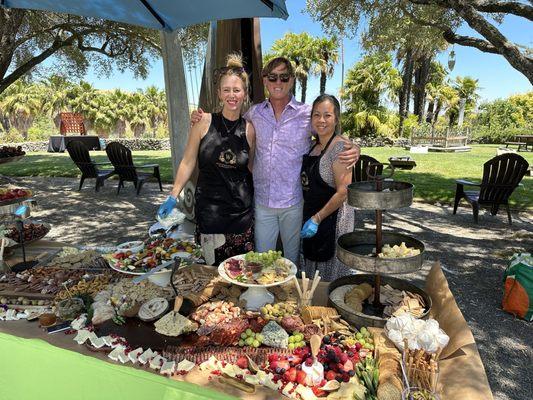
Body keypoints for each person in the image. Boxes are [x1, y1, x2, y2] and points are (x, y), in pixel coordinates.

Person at [192, 56, 359, 265]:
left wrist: (353, 146)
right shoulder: (254, 113)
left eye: (284, 77)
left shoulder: (307, 114)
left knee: (291, 262)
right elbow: (230, 123)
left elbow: (329, 134)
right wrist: (199, 118)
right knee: (262, 262)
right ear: (264, 80)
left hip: (294, 202)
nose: (278, 82)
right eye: (272, 77)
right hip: (262, 202)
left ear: (292, 80)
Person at [157, 54, 255, 265]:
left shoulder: (250, 130)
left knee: (239, 279)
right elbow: (188, 161)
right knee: (210, 278)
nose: (232, 95)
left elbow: (253, 168)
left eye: (237, 90)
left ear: (244, 93)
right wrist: (173, 195)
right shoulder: (202, 122)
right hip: (209, 217)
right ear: (219, 93)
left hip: (241, 219)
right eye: (226, 90)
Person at [300, 94, 354, 282]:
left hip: (333, 222)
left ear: (336, 118)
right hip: (314, 220)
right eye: (316, 115)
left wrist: (316, 218)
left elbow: (343, 192)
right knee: (312, 280)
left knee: (329, 281)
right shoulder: (313, 147)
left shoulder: (340, 148)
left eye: (327, 115)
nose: (321, 120)